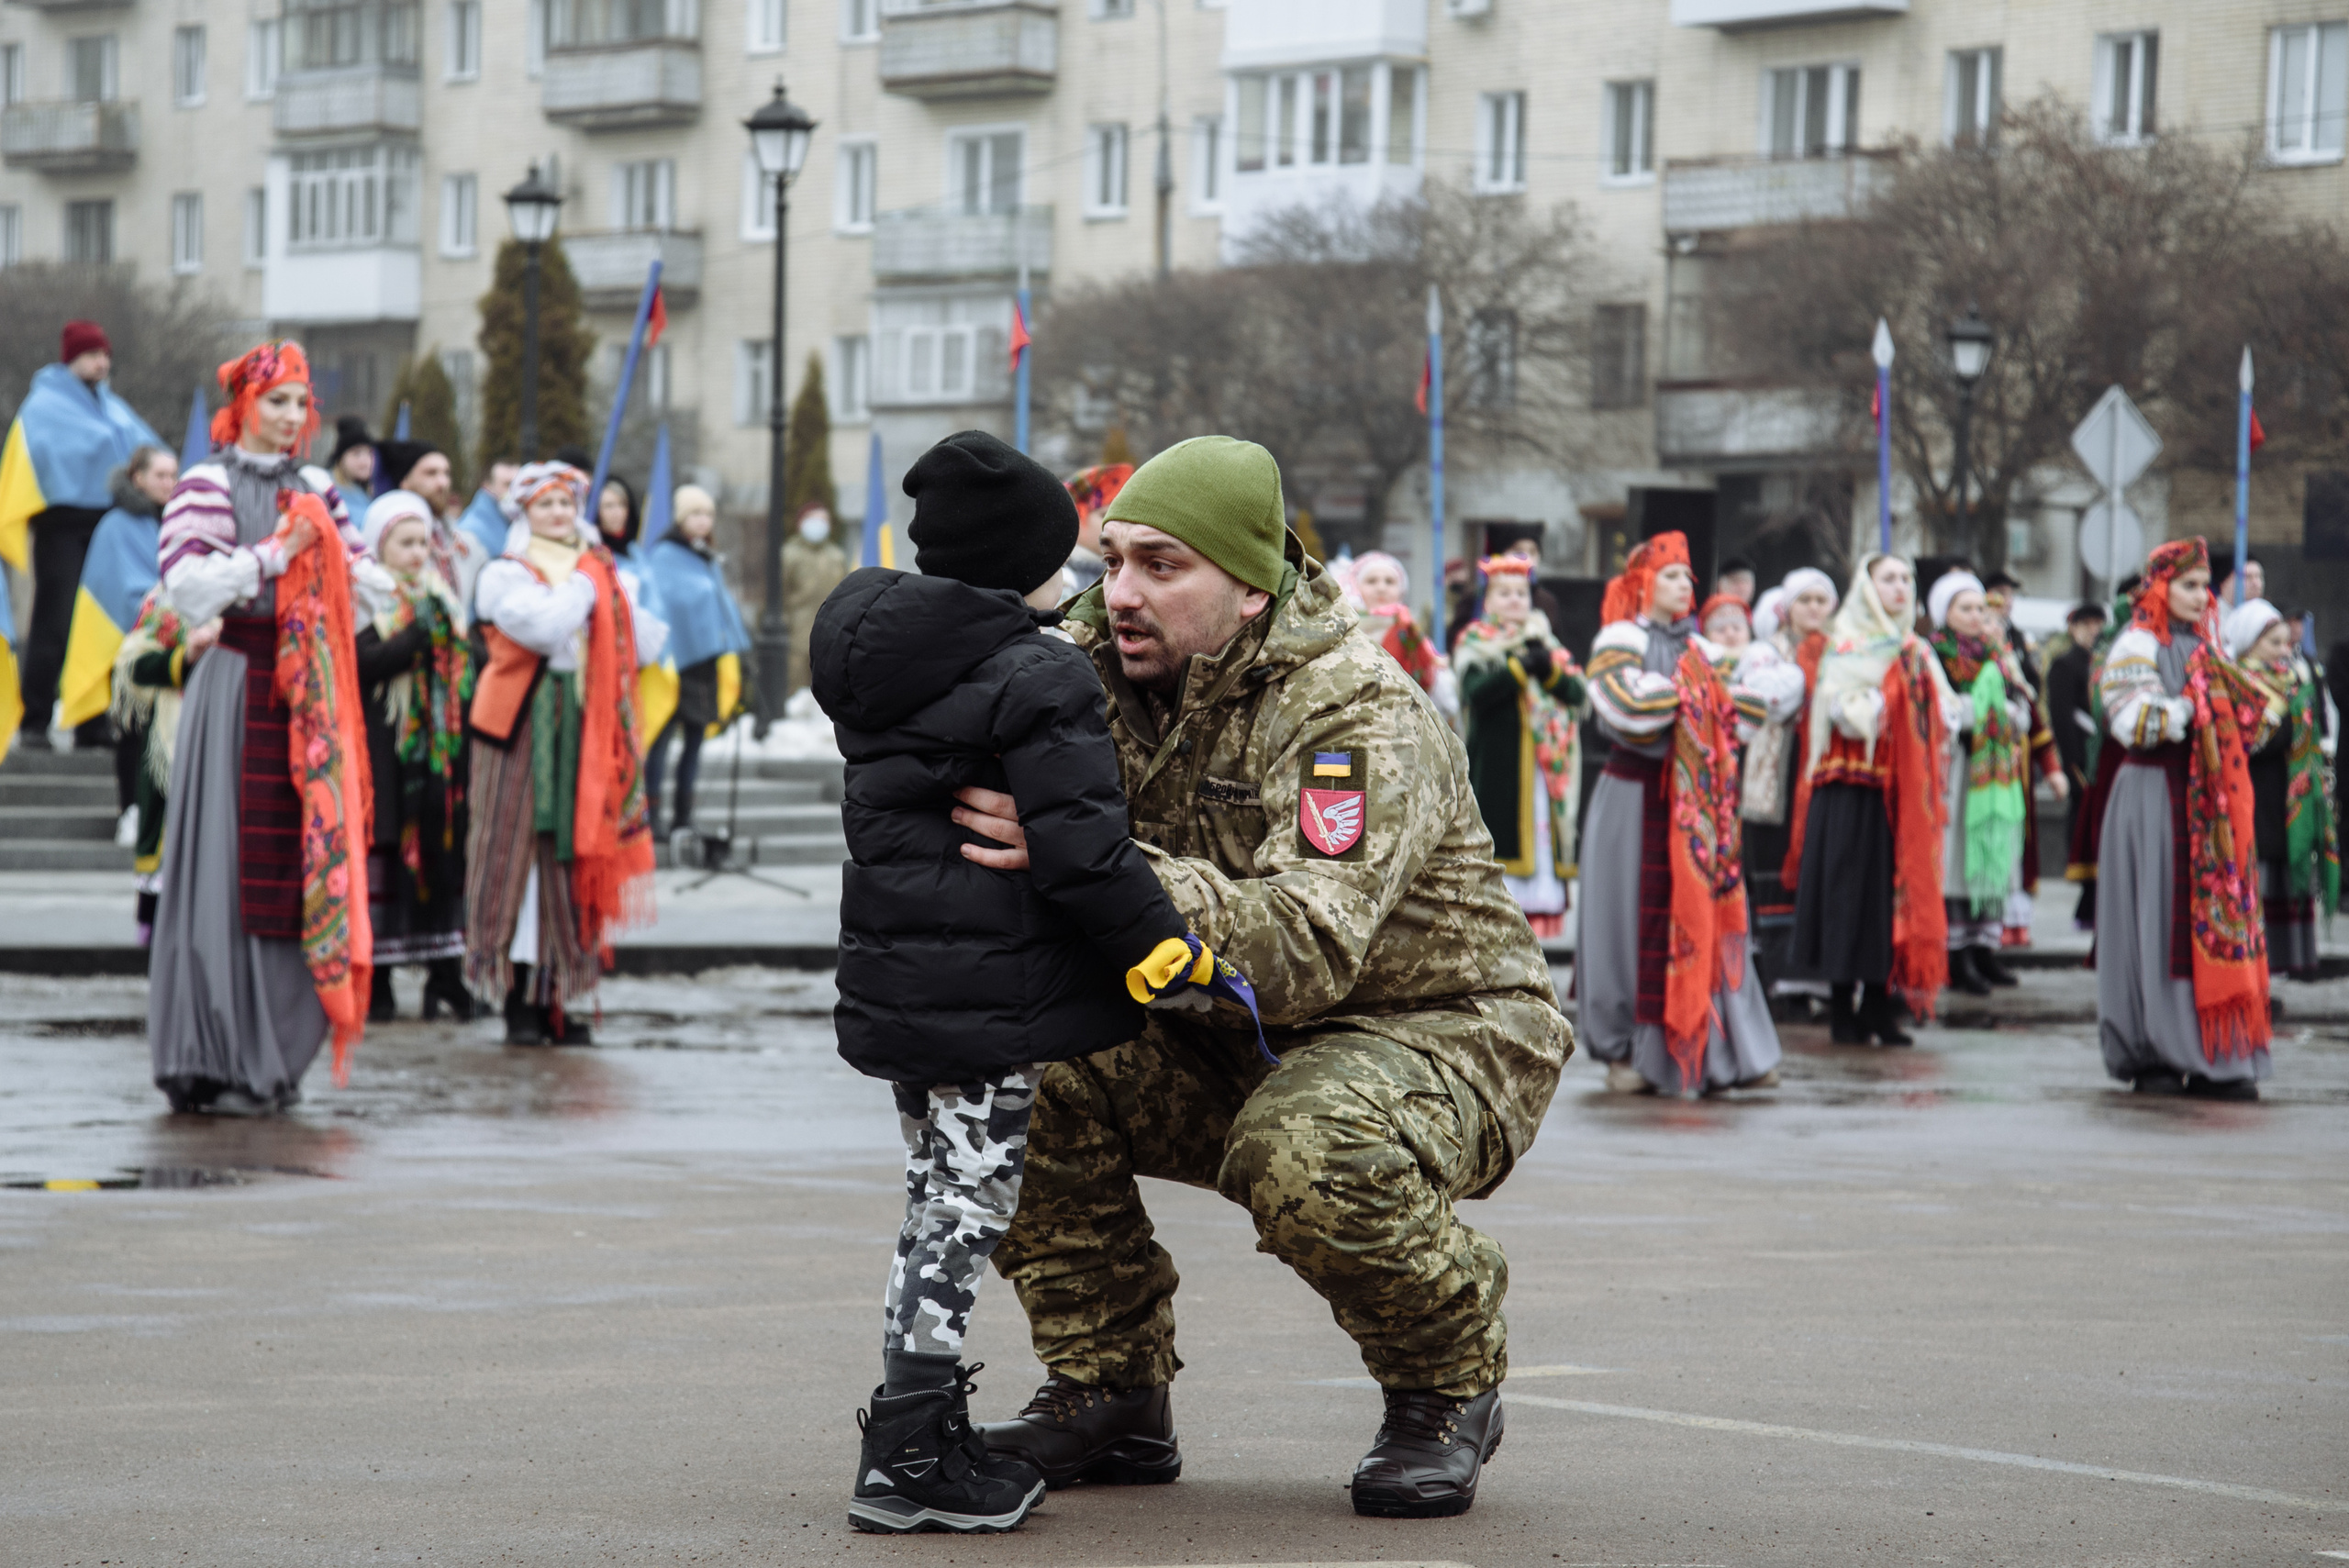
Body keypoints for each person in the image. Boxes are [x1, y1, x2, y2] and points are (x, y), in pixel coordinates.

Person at [955, 435, 1568, 1518]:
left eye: (1162, 565)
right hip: (1218, 1015)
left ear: (1248, 589)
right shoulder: (1084, 664)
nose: (1123, 592)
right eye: (1114, 560)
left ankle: (1443, 1378)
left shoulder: (1354, 711)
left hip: (1434, 1027)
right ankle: (1111, 1388)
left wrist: (1092, 860)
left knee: (1307, 1149)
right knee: (1006, 1064)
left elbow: (1306, 943)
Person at [810, 430, 1210, 1535]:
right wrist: (1165, 950)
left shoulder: (881, 657)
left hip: (903, 982)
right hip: (991, 996)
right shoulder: (1037, 669)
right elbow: (1083, 846)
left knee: (931, 1199)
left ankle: (913, 1425)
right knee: (967, 1207)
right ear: (1027, 557)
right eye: (1068, 550)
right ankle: (910, 1452)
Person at [148, 340, 386, 1115]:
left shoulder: (318, 483)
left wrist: (392, 578)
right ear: (243, 405)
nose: (290, 418)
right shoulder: (205, 483)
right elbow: (185, 590)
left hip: (304, 695)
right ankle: (209, 1053)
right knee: (224, 865)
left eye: (300, 403)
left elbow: (357, 573)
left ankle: (273, 1054)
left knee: (300, 866)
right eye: (276, 401)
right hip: (239, 687)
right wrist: (275, 554)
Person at [465, 462, 666, 1047]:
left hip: (583, 729)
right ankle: (516, 998)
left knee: (572, 860)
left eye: (567, 505)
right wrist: (588, 584)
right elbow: (543, 629)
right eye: (546, 505)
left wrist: (612, 590)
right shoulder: (506, 573)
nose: (559, 515)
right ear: (524, 512)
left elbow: (649, 641)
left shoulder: (598, 570)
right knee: (516, 859)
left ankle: (557, 996)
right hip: (520, 733)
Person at [1582, 537, 1787, 1095]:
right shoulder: (1620, 639)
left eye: (1687, 578)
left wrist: (1698, 699)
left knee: (1713, 917)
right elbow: (1625, 705)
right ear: (1643, 582)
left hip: (1698, 802)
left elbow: (1752, 708)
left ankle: (1725, 1050)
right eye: (1671, 575)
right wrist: (1700, 700)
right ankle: (1626, 1049)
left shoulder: (1702, 647)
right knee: (1628, 918)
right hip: (1636, 794)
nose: (1684, 586)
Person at [2096, 538, 2276, 1099]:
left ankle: (2217, 1055)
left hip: (2211, 804)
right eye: (2188, 585)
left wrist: (2248, 709)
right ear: (2159, 587)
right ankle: (2154, 1052)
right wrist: (2199, 708)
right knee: (2157, 920)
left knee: (2214, 922)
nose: (2202, 596)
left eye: (2205, 586)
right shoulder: (2136, 643)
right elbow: (2134, 720)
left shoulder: (2210, 647)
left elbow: (2252, 719)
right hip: (2155, 793)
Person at [1786, 554, 1959, 1046]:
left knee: (1890, 896)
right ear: (1867, 587)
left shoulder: (1914, 650)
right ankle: (1843, 1006)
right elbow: (1840, 713)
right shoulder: (1848, 645)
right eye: (1889, 579)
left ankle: (1881, 1006)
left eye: (1907, 579)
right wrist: (1891, 698)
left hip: (1900, 795)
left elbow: (1947, 710)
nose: (1900, 588)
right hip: (1850, 789)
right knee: (1847, 896)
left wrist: (1928, 705)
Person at [1, 320, 162, 749]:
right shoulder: (45, 405)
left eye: (105, 354)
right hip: (60, 527)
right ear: (72, 357)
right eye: (93, 354)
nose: (101, 362)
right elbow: (31, 457)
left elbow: (146, 449)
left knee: (101, 620)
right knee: (55, 619)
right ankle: (35, 718)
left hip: (106, 528)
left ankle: (92, 719)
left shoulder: (111, 406)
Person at [355, 491, 475, 1023]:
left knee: (440, 857)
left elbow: (464, 665)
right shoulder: (369, 598)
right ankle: (376, 981)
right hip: (388, 748)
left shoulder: (442, 595)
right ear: (380, 545)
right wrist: (413, 639)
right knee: (386, 862)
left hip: (436, 755)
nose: (417, 552)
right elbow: (363, 665)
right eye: (404, 542)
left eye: (423, 541)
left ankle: (445, 976)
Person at [1927, 572, 2066, 995]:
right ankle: (1956, 955)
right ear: (1944, 614)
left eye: (1979, 609)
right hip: (1959, 770)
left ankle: (1985, 948)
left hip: (1997, 772)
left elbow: (2025, 704)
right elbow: (1942, 708)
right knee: (1958, 858)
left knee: (1993, 853)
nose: (1974, 616)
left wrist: (2008, 713)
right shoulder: (1936, 654)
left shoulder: (1998, 656)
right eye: (1964, 608)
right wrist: (1985, 710)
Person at [1453, 555, 1583, 938]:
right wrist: (1518, 668)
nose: (1514, 601)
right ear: (1488, 601)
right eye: (1504, 593)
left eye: (1521, 594)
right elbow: (1475, 694)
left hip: (1543, 774)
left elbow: (1576, 692)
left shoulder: (1547, 641)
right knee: (1501, 847)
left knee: (1538, 847)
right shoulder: (1476, 643)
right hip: (1499, 768)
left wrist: (1548, 669)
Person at [2226, 596, 2338, 984]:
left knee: (2284, 876)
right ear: (2249, 645)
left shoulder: (2297, 680)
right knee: (2260, 879)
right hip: (2256, 798)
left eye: (2285, 643)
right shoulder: (2238, 682)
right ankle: (2254, 973)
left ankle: (2282, 967)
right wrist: (2287, 724)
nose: (2283, 651)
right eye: (2273, 643)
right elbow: (2246, 741)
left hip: (2292, 801)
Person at [61, 445, 176, 819]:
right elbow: (113, 589)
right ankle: (130, 808)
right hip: (130, 645)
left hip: (173, 644)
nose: (169, 483)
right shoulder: (115, 526)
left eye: (174, 475)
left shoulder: (178, 521)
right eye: (160, 475)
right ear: (137, 478)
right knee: (132, 730)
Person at [1742, 567, 1837, 998]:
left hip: (1822, 773)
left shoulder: (1840, 651)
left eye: (1822, 600)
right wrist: (1806, 671)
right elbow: (1765, 700)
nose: (1814, 608)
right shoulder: (1768, 650)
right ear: (1788, 608)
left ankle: (1814, 978)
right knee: (1772, 870)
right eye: (1806, 600)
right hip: (1776, 778)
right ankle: (1777, 976)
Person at [645, 484, 752, 841]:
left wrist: (736, 647)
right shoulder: (663, 555)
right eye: (694, 513)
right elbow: (661, 605)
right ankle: (652, 815)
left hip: (704, 665)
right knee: (660, 740)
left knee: (693, 743)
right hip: (673, 664)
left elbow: (718, 604)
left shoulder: (707, 556)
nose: (702, 520)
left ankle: (683, 817)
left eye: (707, 514)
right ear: (680, 517)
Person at [111, 585, 206, 946]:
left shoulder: (243, 586)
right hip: (168, 742)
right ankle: (156, 931)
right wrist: (183, 659)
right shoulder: (163, 600)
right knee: (162, 833)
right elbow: (133, 665)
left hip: (223, 735)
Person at [2045, 603, 2107, 929]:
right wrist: (2072, 763)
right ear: (2073, 628)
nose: (2093, 629)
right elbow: (2061, 716)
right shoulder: (2065, 664)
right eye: (2086, 624)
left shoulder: (2102, 661)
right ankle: (2086, 897)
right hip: (2082, 758)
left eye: (2098, 622)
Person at [374, 439, 486, 605]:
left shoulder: (466, 544)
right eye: (431, 473)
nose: (443, 483)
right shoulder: (382, 536)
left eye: (447, 473)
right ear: (405, 481)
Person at [783, 504, 850, 696]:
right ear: (800, 523)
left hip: (831, 634)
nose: (818, 525)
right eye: (814, 519)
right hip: (797, 635)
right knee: (796, 691)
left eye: (823, 520)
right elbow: (777, 596)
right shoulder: (789, 555)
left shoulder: (836, 556)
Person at [1062, 462, 1131, 598]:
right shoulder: (1062, 580)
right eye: (1105, 515)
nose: (1119, 524)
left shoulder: (1122, 572)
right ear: (1076, 515)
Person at [457, 455, 520, 571]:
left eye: (518, 484)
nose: (514, 491)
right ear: (487, 486)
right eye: (507, 484)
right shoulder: (472, 529)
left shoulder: (513, 520)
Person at [327, 417, 376, 520]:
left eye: (369, 453)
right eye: (356, 454)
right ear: (341, 459)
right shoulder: (329, 492)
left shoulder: (366, 492)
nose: (365, 461)